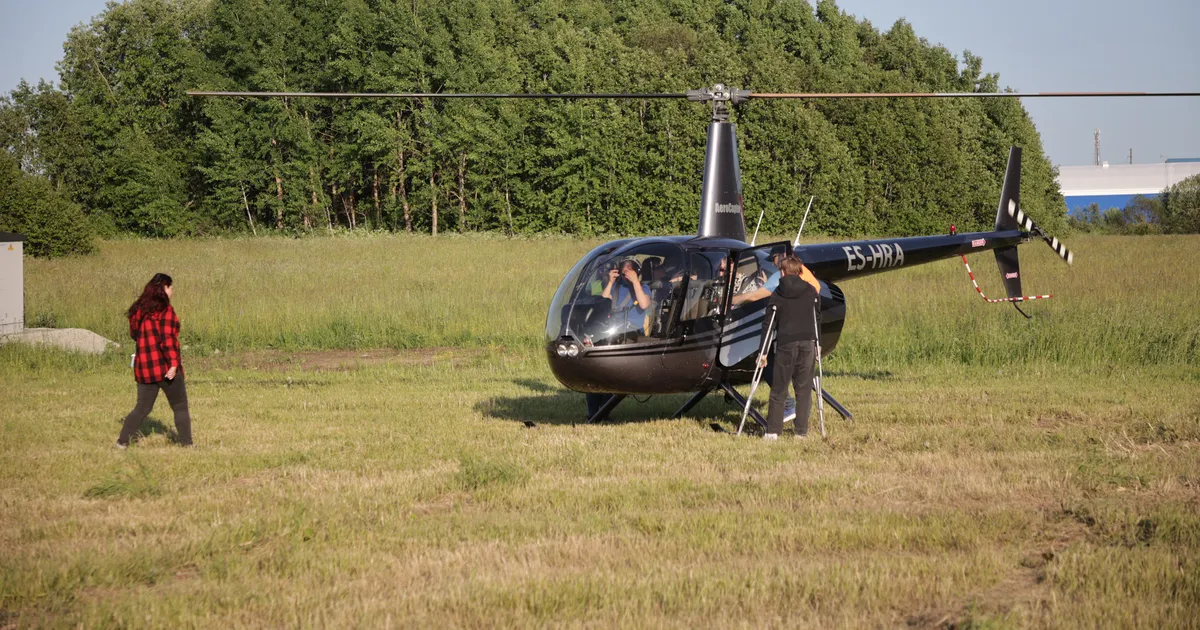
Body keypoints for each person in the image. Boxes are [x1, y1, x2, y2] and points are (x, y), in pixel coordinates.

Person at [116, 273, 192, 448]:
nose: (173, 291)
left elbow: (135, 335)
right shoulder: (166, 311)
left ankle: (122, 442)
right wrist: (173, 365)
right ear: (163, 288)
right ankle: (187, 444)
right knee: (180, 406)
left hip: (144, 368)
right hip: (164, 367)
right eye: (171, 287)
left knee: (142, 408)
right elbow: (168, 340)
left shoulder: (138, 311)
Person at [758, 256, 821, 440]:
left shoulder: (778, 293)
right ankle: (801, 432)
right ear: (800, 272)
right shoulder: (811, 291)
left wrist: (763, 352)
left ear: (782, 272)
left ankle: (772, 432)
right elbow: (817, 319)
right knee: (803, 388)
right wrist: (818, 344)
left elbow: (768, 323)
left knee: (779, 388)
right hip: (808, 344)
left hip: (786, 344)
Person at [601, 258, 651, 334]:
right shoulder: (616, 286)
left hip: (633, 333)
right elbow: (603, 301)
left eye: (630, 272)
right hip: (613, 330)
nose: (627, 276)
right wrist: (610, 282)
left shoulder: (643, 288)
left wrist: (635, 282)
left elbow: (644, 305)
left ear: (637, 272)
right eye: (624, 273)